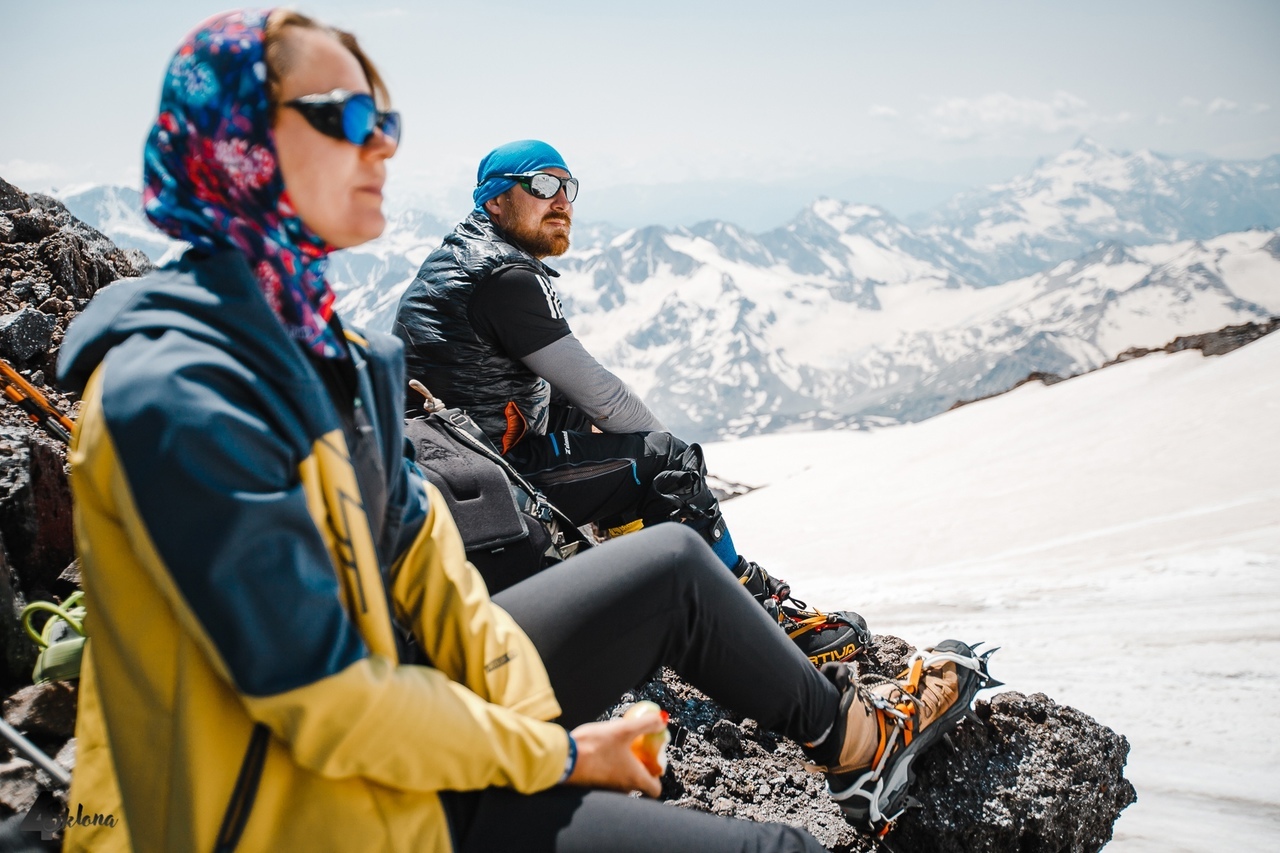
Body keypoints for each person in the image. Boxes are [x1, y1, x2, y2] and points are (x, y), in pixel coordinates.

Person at [58, 10, 993, 852]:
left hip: (395, 738)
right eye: (343, 118)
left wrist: (517, 716)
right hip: (283, 811)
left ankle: (861, 745)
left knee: (669, 566)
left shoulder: (333, 350)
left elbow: (437, 589)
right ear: (235, 147)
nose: (380, 146)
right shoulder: (175, 390)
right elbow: (317, 698)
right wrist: (554, 750)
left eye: (385, 122)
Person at [393, 141, 868, 666]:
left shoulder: (463, 259)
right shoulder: (502, 277)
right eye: (542, 186)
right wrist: (675, 463)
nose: (561, 201)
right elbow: (605, 396)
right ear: (495, 201)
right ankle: (761, 619)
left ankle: (630, 550)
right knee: (663, 461)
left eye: (568, 187)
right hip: (488, 484)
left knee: (585, 419)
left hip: (456, 470)